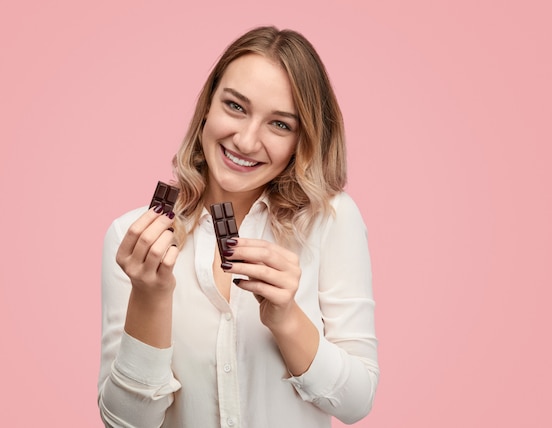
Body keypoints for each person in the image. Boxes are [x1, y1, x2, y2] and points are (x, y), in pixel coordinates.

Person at [98, 26, 379, 428]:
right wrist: (150, 296)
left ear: (304, 139)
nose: (246, 141)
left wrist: (286, 318)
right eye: (235, 106)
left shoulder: (330, 220)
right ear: (208, 106)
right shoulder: (131, 237)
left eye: (280, 124)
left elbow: (356, 402)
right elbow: (125, 423)